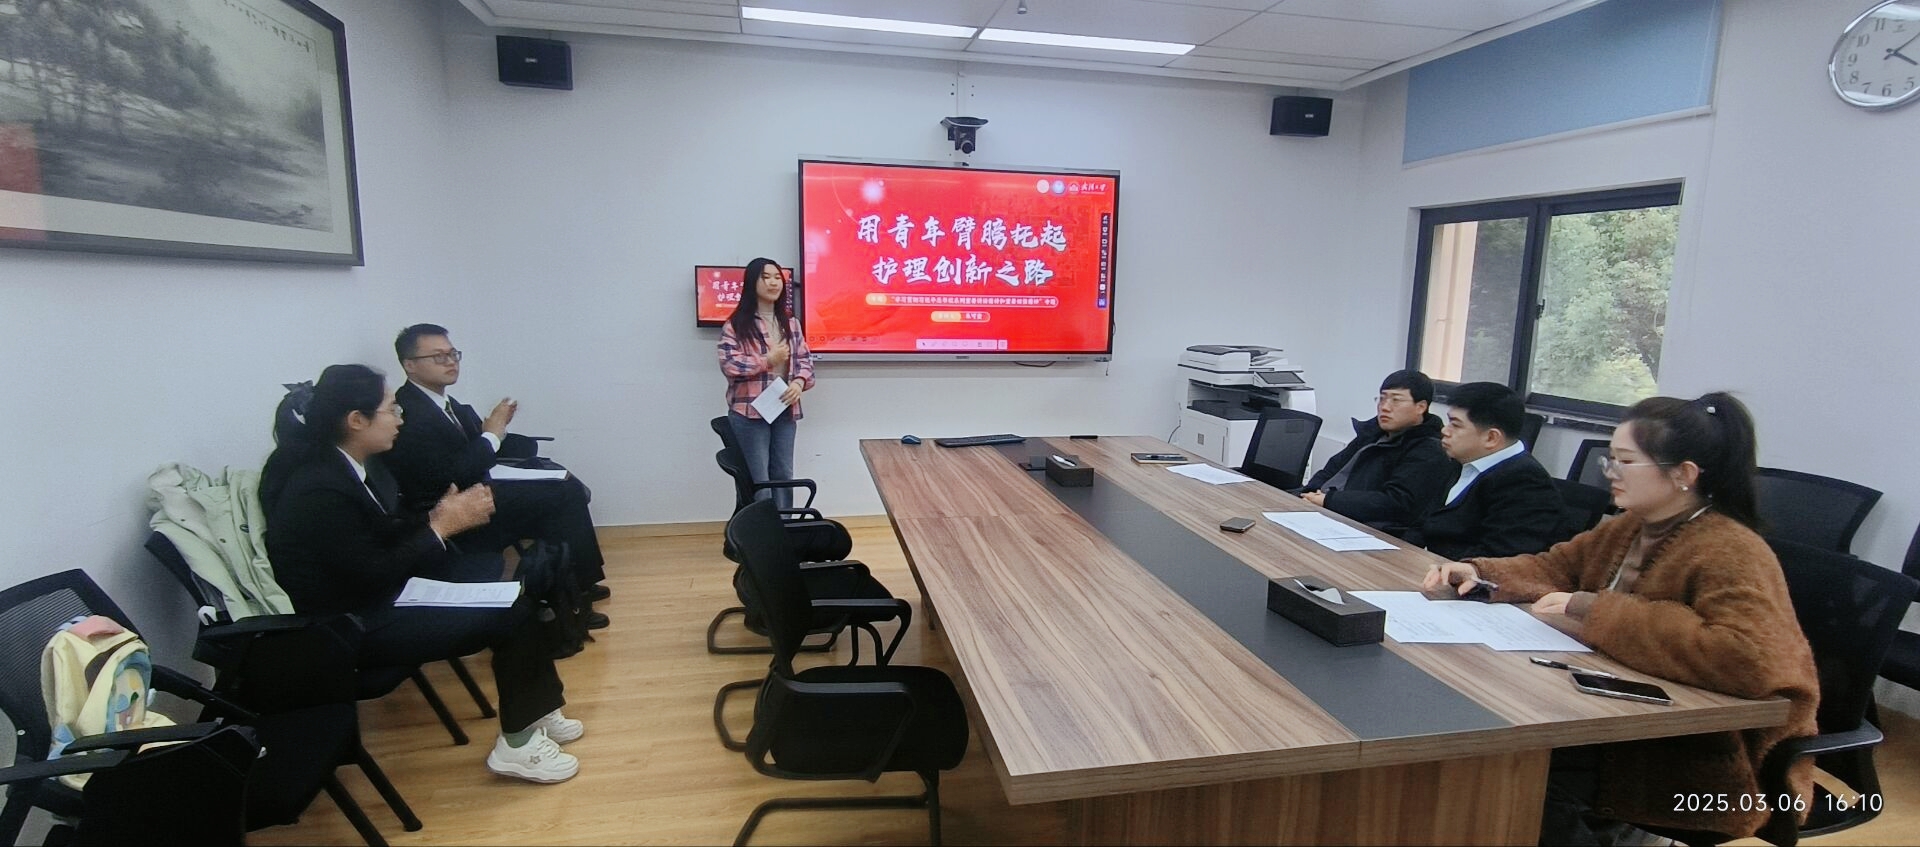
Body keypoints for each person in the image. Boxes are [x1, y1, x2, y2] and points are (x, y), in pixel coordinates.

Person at [1422, 393, 1818, 844]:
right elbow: (1555, 567)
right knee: (1485, 754)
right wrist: (1479, 572)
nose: (1609, 472)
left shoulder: (1731, 549)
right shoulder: (1629, 525)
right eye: (1610, 459)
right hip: (1612, 713)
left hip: (1696, 758)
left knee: (1509, 770)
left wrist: (1594, 609)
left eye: (1625, 462)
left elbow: (1749, 658)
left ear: (1683, 474)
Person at [261, 364, 585, 784]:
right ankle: (517, 746)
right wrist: (442, 526)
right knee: (513, 611)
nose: (400, 418)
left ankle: (535, 712)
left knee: (515, 598)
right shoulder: (319, 489)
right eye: (391, 409)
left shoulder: (344, 465)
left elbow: (379, 539)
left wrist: (438, 516)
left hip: (382, 597)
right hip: (351, 625)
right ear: (356, 420)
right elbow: (372, 573)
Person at [384, 324, 610, 617]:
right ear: (409, 365)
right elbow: (452, 474)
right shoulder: (409, 412)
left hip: (478, 487)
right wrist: (492, 433)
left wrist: (494, 428)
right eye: (439, 357)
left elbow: (475, 449)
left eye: (453, 354)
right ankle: (574, 592)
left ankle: (578, 582)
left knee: (563, 486)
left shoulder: (445, 403)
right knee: (562, 495)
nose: (451, 362)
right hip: (454, 505)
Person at [1404, 381, 1565, 559]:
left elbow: (1498, 557)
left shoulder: (1526, 482)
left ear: (1491, 437)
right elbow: (1423, 524)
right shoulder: (1462, 460)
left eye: (1455, 425)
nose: (1445, 431)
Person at [1295, 369, 1454, 531]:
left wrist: (1328, 500)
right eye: (1382, 399)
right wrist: (1310, 493)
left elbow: (1395, 502)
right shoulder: (1372, 433)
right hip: (1328, 510)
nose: (1385, 407)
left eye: (1396, 400)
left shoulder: (1429, 450)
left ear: (1421, 407)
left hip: (1369, 528)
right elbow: (1332, 468)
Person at [717, 258, 814, 510]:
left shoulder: (791, 323)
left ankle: (784, 526)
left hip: (784, 408)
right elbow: (730, 365)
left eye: (777, 277)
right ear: (752, 282)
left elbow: (805, 360)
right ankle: (762, 528)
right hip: (749, 412)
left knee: (783, 473)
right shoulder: (736, 324)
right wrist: (768, 360)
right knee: (758, 478)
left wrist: (799, 382)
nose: (773, 283)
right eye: (766, 277)